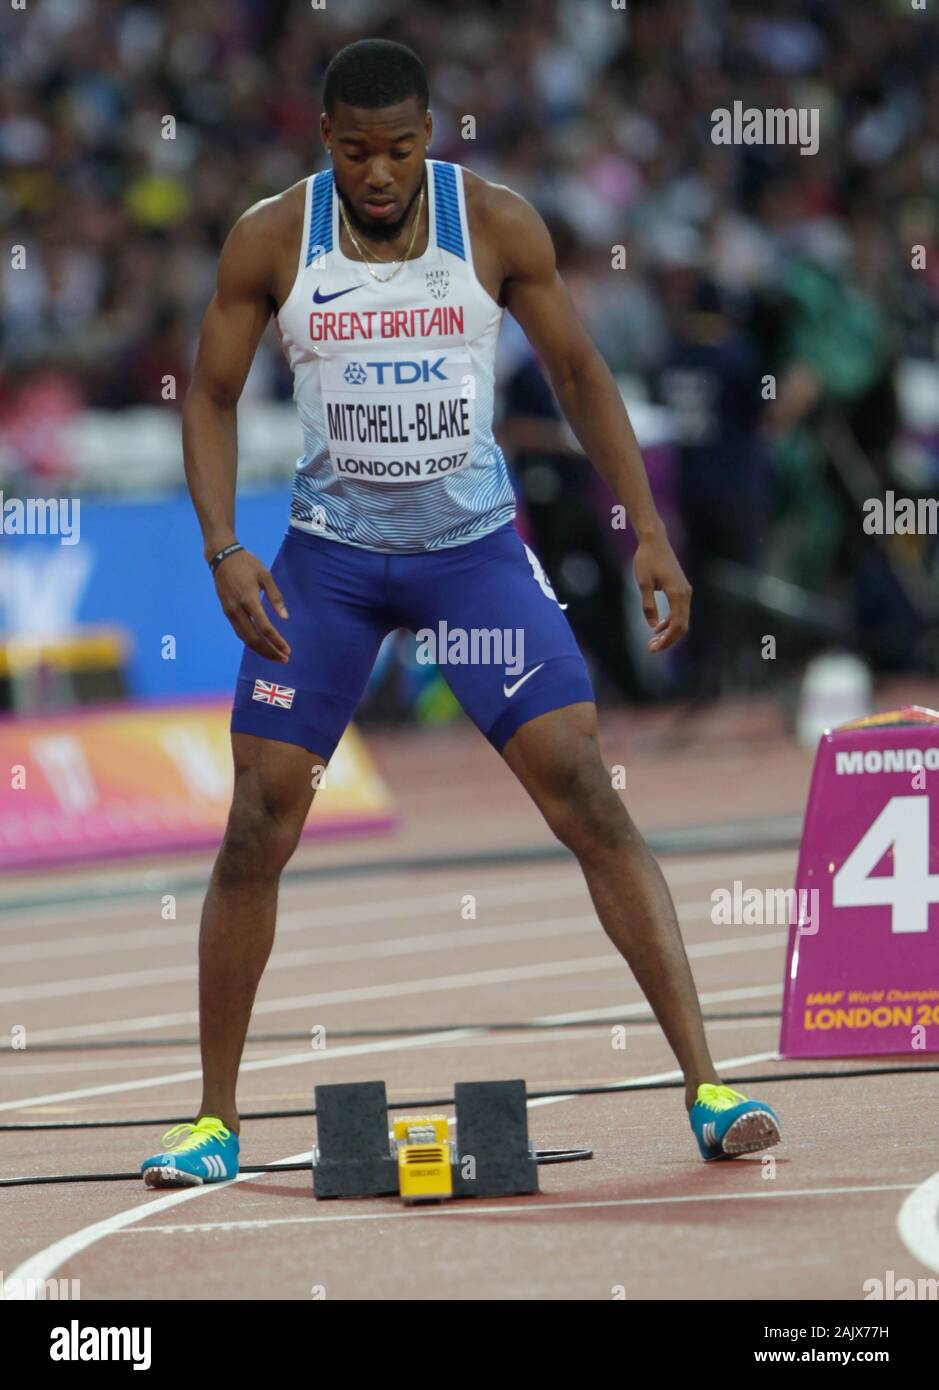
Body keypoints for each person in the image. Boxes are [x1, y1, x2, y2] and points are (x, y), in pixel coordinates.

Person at [141, 39, 780, 1186]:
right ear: (323, 138)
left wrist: (650, 534)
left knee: (587, 790)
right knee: (256, 824)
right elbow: (216, 394)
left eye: (397, 149)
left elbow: (584, 376)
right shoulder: (271, 238)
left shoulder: (494, 224)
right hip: (329, 564)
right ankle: (214, 1120)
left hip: (471, 557)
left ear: (430, 134)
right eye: (353, 152)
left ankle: (708, 1083)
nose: (377, 175)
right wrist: (224, 546)